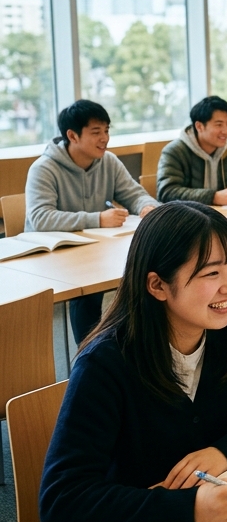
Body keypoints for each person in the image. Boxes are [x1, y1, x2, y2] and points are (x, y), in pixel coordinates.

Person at [39, 202, 227, 522]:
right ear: (157, 285)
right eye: (211, 273)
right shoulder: (106, 363)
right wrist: (188, 508)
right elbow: (62, 501)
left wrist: (223, 451)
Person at [25, 99, 161, 343]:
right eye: (96, 132)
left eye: (107, 130)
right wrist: (97, 218)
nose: (105, 138)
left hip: (94, 251)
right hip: (53, 259)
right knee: (88, 294)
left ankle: (133, 349)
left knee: (146, 275)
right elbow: (40, 218)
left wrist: (147, 207)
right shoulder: (44, 168)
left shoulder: (108, 161)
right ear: (72, 136)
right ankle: (88, 356)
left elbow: (134, 193)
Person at [156, 96, 227, 206]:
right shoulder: (175, 152)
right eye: (219, 125)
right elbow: (167, 192)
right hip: (188, 220)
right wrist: (213, 197)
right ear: (199, 126)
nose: (226, 132)